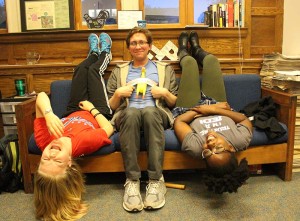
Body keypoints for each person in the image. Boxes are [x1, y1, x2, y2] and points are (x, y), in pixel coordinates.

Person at [33, 32, 114, 221]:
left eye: (45, 161)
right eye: (58, 162)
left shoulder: (44, 141)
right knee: (94, 71)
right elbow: (109, 129)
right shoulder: (83, 143)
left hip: (71, 111)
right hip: (98, 109)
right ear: (70, 163)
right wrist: (93, 109)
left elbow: (41, 97)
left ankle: (93, 53)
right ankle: (105, 53)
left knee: (79, 69)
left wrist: (49, 114)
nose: (51, 155)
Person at [106, 27, 178, 212]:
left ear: (149, 46)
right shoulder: (120, 71)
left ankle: (155, 180)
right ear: (129, 47)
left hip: (156, 113)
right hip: (127, 113)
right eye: (133, 43)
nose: (138, 46)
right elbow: (112, 107)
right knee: (131, 113)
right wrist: (118, 94)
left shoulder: (163, 69)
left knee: (148, 111)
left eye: (142, 42)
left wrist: (164, 92)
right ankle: (132, 181)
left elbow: (173, 103)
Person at [173, 31, 253, 194]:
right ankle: (196, 49)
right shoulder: (240, 140)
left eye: (208, 152)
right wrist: (213, 108)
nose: (210, 145)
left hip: (190, 108)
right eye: (218, 148)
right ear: (230, 148)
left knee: (190, 64)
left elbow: (179, 122)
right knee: (211, 61)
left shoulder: (195, 148)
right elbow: (244, 120)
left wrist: (203, 111)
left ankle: (182, 50)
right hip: (216, 105)